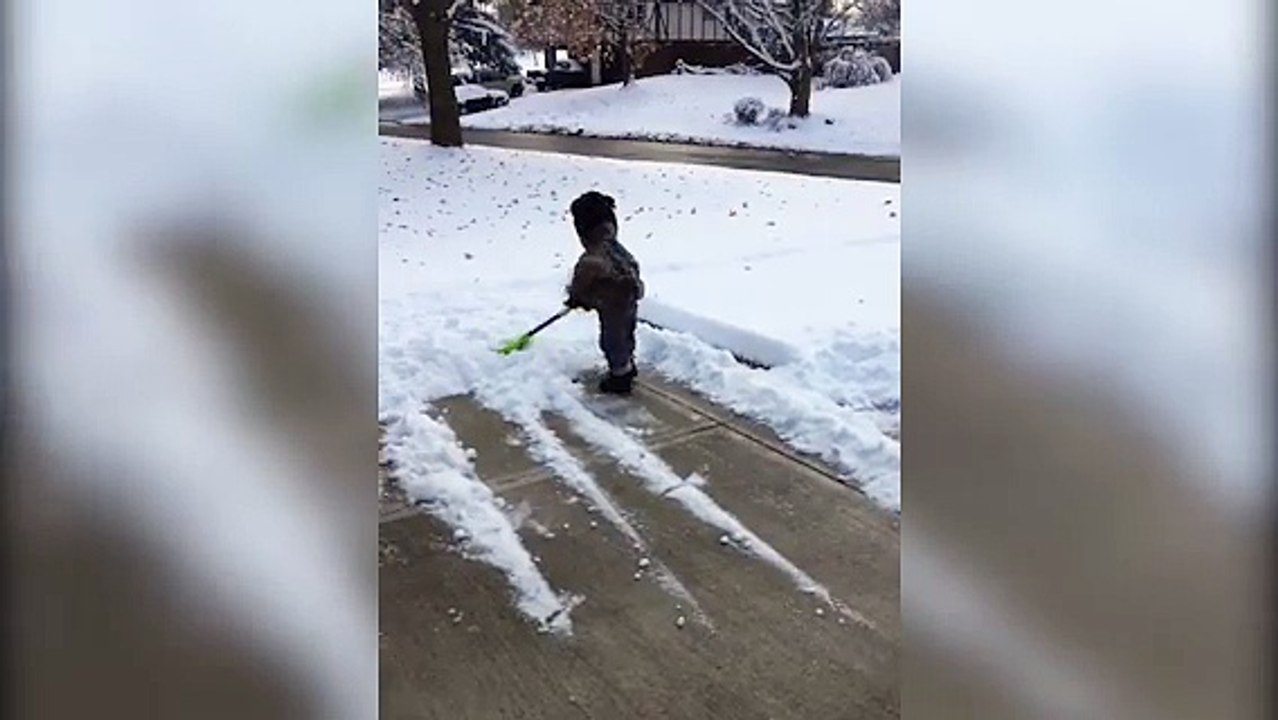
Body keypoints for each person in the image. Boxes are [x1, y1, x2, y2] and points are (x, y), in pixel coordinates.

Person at [564, 191, 645, 395]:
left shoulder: (590, 259)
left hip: (612, 302)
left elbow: (581, 282)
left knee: (611, 340)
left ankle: (620, 377)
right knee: (626, 333)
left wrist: (576, 297)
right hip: (629, 298)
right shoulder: (618, 250)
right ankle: (627, 363)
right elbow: (632, 268)